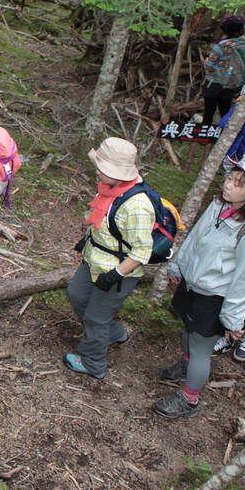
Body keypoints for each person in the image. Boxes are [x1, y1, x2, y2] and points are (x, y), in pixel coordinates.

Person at [155, 154, 245, 418]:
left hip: (215, 297)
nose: (228, 184)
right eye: (229, 177)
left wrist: (232, 319)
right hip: (194, 284)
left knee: (200, 348)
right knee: (187, 330)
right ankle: (186, 366)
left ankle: (189, 400)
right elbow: (196, 236)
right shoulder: (220, 204)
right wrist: (179, 266)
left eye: (238, 183)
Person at [64, 138, 153, 380]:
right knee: (76, 294)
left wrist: (115, 275)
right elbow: (102, 224)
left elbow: (142, 251)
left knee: (96, 317)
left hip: (119, 271)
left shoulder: (137, 206)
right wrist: (84, 243)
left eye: (102, 169)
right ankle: (113, 333)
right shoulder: (108, 190)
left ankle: (93, 362)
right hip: (95, 259)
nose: (97, 172)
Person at [201, 15, 245, 126]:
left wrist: (206, 60)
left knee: (208, 113)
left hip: (213, 83)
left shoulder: (221, 46)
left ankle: (204, 134)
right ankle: (224, 133)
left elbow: (209, 65)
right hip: (232, 84)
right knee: (225, 113)